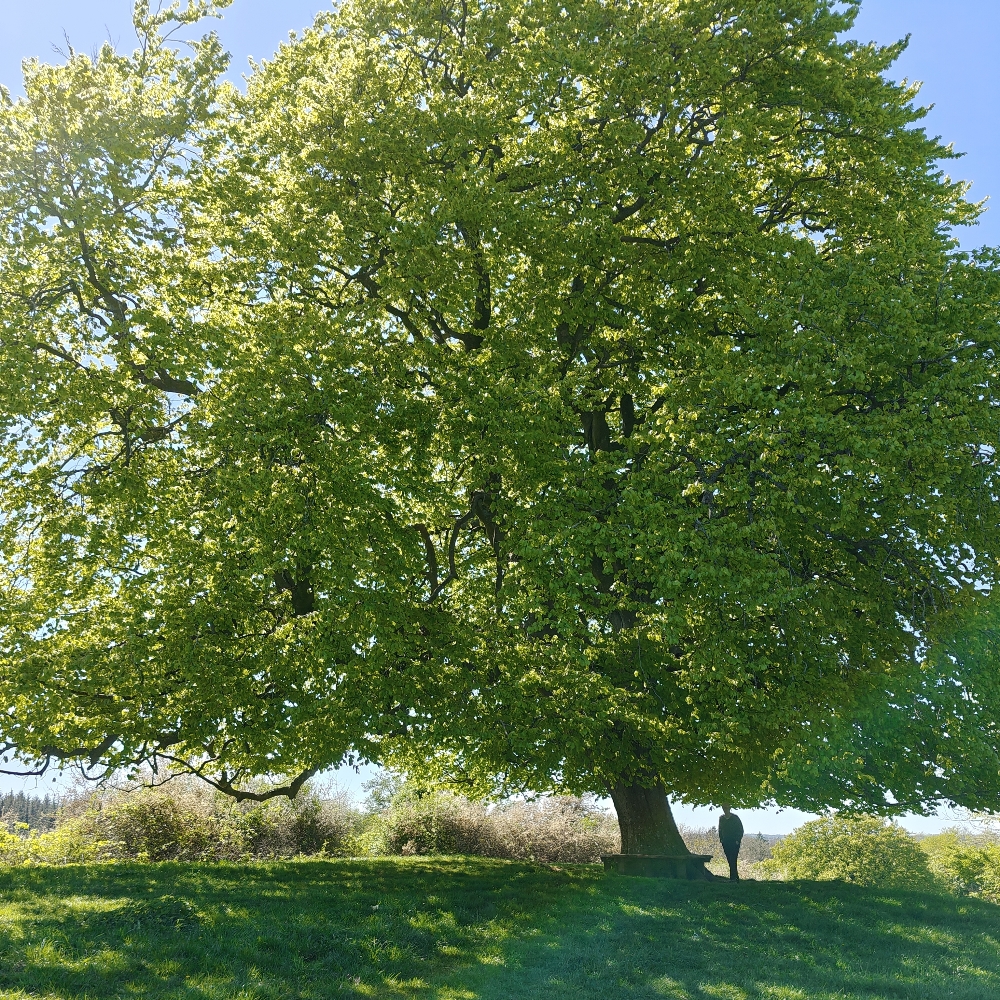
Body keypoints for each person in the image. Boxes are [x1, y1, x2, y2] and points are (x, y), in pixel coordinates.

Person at [718, 805, 744, 881]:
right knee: (729, 859)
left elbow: (740, 830)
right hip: (725, 841)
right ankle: (735, 877)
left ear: (729, 808)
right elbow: (720, 829)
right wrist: (721, 839)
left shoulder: (735, 818)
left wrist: (737, 840)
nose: (725, 809)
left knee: (733, 858)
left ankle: (733, 877)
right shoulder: (721, 818)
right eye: (724, 808)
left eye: (726, 808)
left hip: (734, 842)